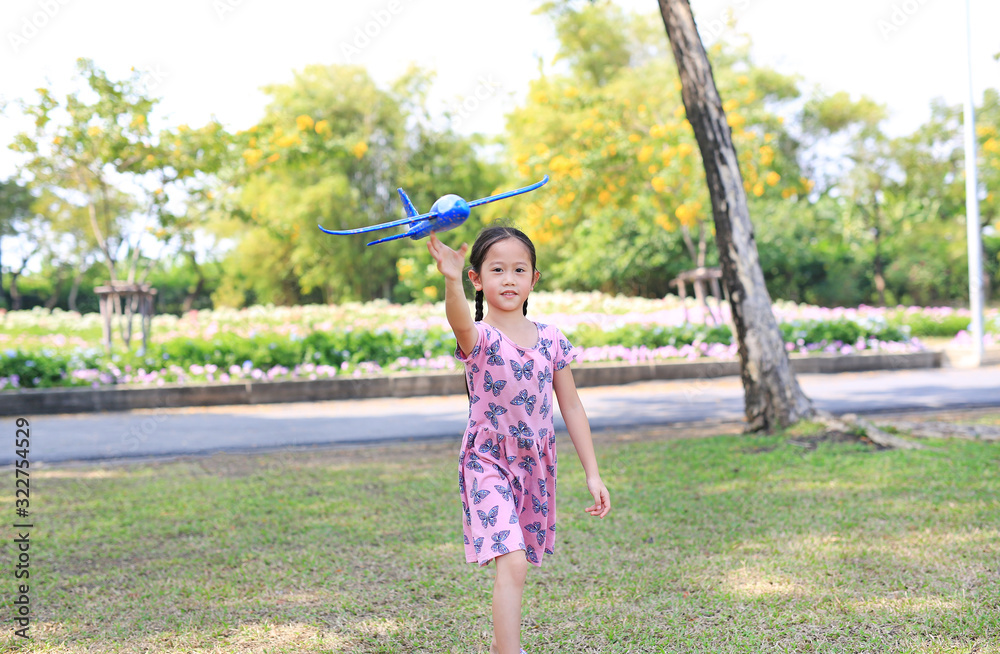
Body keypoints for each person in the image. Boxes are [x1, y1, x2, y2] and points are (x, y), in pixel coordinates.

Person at [427, 226, 611, 654]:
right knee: (511, 559)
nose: (508, 279)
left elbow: (573, 407)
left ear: (534, 278)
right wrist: (450, 281)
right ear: (478, 279)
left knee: (520, 562)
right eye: (497, 269)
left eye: (518, 269)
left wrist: (593, 474)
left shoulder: (551, 339)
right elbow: (458, 319)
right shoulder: (479, 338)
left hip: (535, 467)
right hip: (486, 462)